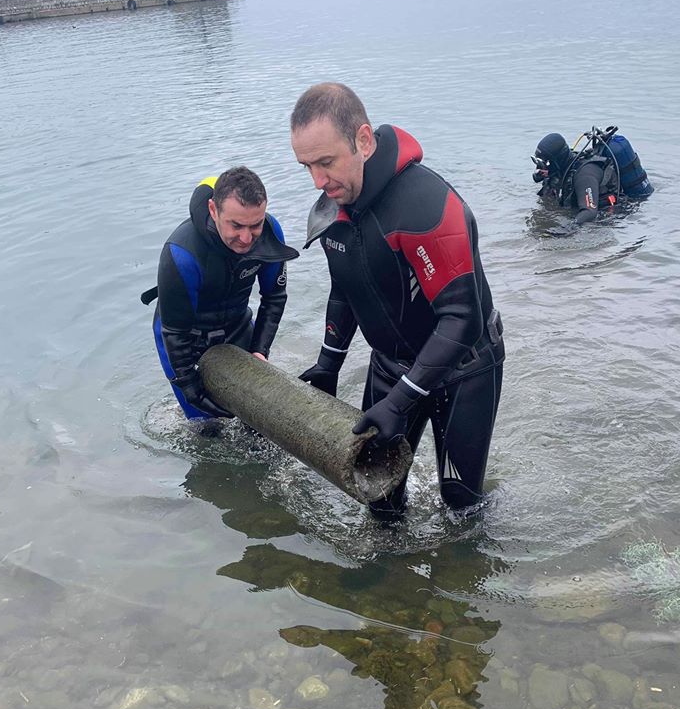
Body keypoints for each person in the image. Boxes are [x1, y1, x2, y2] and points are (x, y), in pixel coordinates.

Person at [290, 83, 504, 515]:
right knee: (377, 498)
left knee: (459, 504)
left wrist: (401, 400)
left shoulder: (426, 205)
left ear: (364, 141)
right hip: (390, 366)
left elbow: (463, 317)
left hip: (466, 369)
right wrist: (329, 364)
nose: (317, 181)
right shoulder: (335, 204)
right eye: (306, 166)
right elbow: (345, 287)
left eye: (326, 162)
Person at [142, 166, 298, 420]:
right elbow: (174, 332)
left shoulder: (270, 233)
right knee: (206, 427)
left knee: (256, 422)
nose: (247, 238)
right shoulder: (182, 253)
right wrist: (191, 387)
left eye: (255, 225)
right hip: (183, 337)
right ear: (214, 211)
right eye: (236, 225)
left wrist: (260, 350)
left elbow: (274, 298)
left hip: (237, 325)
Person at [532, 127, 653, 225]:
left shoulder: (585, 175)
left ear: (556, 160)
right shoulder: (560, 169)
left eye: (545, 163)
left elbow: (589, 212)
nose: (542, 168)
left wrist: (567, 229)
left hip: (614, 216)